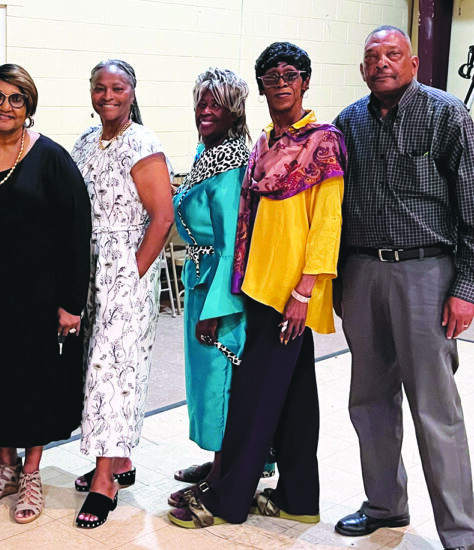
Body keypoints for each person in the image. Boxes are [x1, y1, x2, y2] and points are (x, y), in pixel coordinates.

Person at [168, 42, 345, 529]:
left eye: (291, 75)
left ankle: (226, 500)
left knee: (253, 399)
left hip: (288, 294)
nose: (281, 83)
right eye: (271, 77)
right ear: (261, 89)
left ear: (305, 81)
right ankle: (299, 499)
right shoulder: (265, 143)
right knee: (295, 400)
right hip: (257, 287)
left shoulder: (324, 142)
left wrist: (304, 292)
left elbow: (327, 225)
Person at [333, 26, 474, 550]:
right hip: (362, 272)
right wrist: (337, 281)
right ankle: (384, 505)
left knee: (435, 407)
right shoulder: (347, 123)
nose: (382, 63)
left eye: (393, 54)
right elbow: (334, 210)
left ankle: (461, 530)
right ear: (362, 69)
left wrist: (466, 286)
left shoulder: (447, 115)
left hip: (426, 274)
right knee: (369, 400)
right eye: (372, 57)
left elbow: (472, 205)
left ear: (413, 64)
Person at [0, 63, 91, 524]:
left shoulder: (51, 158)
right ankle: (4, 468)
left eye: (16, 98)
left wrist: (72, 303)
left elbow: (77, 233)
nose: (5, 106)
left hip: (38, 301)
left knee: (34, 386)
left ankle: (31, 473)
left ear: (29, 106)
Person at [71, 59, 173, 528]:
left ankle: (104, 480)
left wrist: (132, 273)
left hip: (124, 270)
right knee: (93, 366)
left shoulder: (143, 143)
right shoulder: (85, 141)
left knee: (111, 371)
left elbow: (162, 218)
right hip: (88, 269)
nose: (107, 96)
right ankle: (120, 458)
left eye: (117, 88)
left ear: (132, 92)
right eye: (100, 87)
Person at [168, 68, 250, 508]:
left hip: (219, 290)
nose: (204, 109)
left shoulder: (232, 167)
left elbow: (234, 246)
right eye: (201, 101)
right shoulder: (207, 153)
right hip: (199, 280)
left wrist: (215, 311)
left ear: (234, 111)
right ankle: (217, 459)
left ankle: (223, 475)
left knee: (220, 379)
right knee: (203, 381)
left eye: (215, 103)